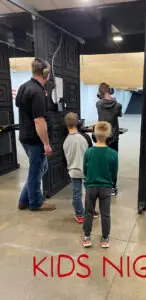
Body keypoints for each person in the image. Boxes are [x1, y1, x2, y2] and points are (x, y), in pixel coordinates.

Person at [16, 58, 56, 211]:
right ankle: (35, 203)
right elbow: (39, 121)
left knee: (39, 168)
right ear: (46, 72)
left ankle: (23, 200)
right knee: (36, 171)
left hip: (25, 136)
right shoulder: (37, 91)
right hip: (35, 140)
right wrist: (46, 143)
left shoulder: (24, 87)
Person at [81, 121, 118, 248]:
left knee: (88, 212)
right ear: (109, 135)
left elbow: (85, 170)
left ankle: (86, 237)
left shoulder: (88, 152)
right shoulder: (113, 154)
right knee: (105, 213)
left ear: (94, 134)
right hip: (106, 187)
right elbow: (114, 173)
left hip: (91, 186)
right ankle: (105, 238)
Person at [63, 112, 98, 223]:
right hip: (87, 169)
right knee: (90, 192)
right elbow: (91, 153)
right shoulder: (85, 137)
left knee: (76, 194)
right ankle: (90, 211)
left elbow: (64, 158)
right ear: (78, 122)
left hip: (74, 170)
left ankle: (80, 215)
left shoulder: (65, 141)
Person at [96, 82, 122, 196]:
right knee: (113, 162)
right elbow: (118, 114)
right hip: (114, 137)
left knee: (101, 161)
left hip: (102, 136)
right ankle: (112, 187)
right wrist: (114, 100)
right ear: (110, 91)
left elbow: (103, 103)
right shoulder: (118, 105)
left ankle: (102, 184)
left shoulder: (98, 104)